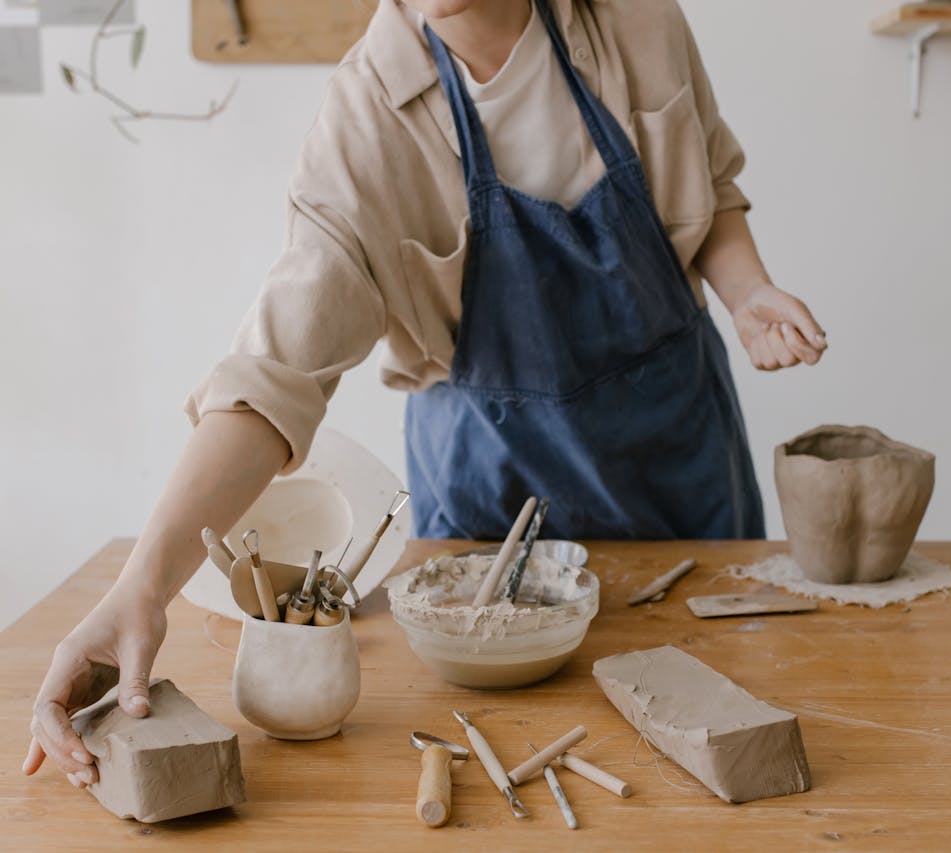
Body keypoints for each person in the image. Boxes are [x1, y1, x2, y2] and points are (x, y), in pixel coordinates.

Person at [23, 0, 826, 788]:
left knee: (724, 743)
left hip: (678, 471)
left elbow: (708, 185)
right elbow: (274, 374)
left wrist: (749, 290)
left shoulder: (638, 19)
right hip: (491, 496)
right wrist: (141, 588)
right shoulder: (364, 119)